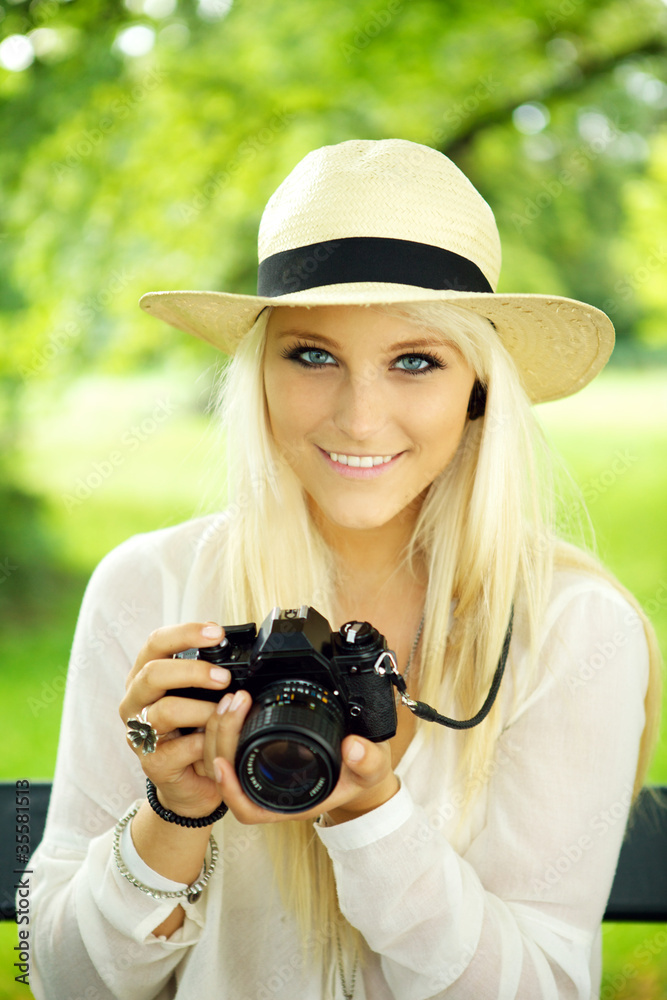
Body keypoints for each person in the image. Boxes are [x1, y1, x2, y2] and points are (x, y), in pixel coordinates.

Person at [29, 139, 661, 1000]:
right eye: (312, 355)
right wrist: (170, 813)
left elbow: (544, 988)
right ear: (259, 374)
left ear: (478, 385)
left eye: (415, 361)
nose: (361, 420)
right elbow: (63, 982)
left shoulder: (568, 627)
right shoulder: (149, 587)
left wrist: (369, 816)